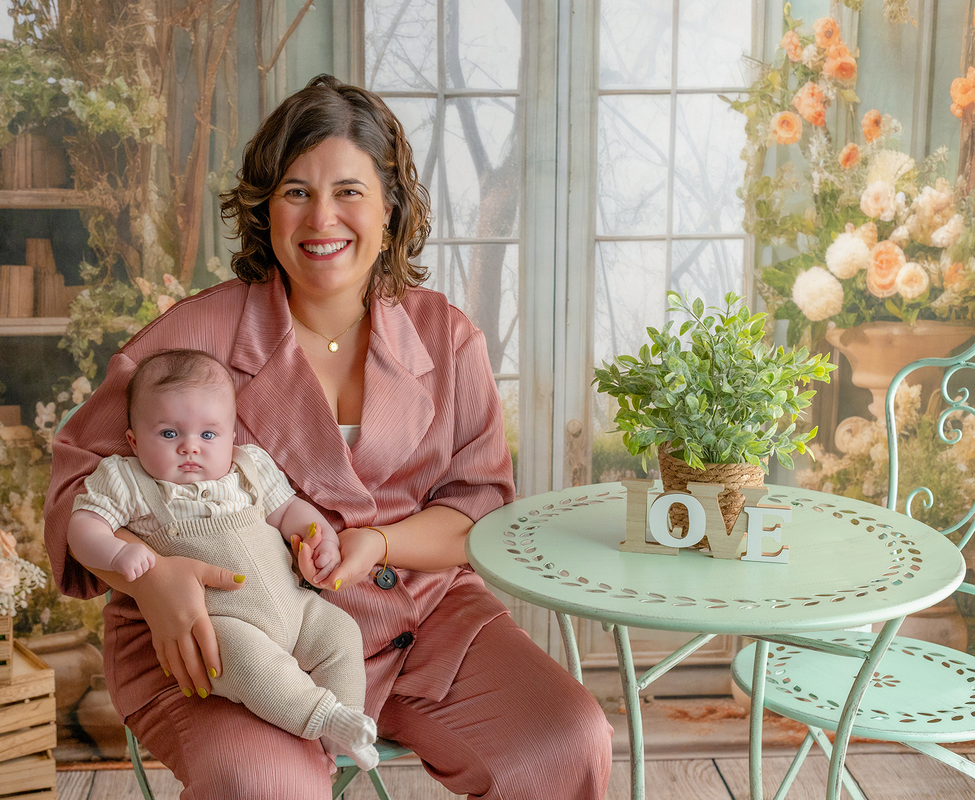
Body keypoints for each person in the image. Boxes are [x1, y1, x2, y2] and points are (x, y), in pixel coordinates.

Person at [46, 74, 613, 799]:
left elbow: (478, 510)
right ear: (264, 208)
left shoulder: (448, 338)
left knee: (566, 739)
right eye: (296, 192)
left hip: (425, 619)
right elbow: (76, 486)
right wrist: (151, 579)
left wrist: (378, 542)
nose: (322, 218)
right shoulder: (194, 335)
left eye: (349, 191)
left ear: (389, 206)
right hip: (223, 634)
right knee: (264, 786)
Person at [65, 348, 379, 770]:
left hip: (296, 607)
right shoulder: (128, 480)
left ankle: (343, 731)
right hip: (222, 624)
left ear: (232, 437)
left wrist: (320, 539)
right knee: (248, 664)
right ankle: (324, 719)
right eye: (169, 434)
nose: (189, 448)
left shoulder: (249, 467)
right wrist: (119, 551)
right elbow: (82, 527)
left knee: (341, 632)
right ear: (134, 440)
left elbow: (289, 510)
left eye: (208, 435)